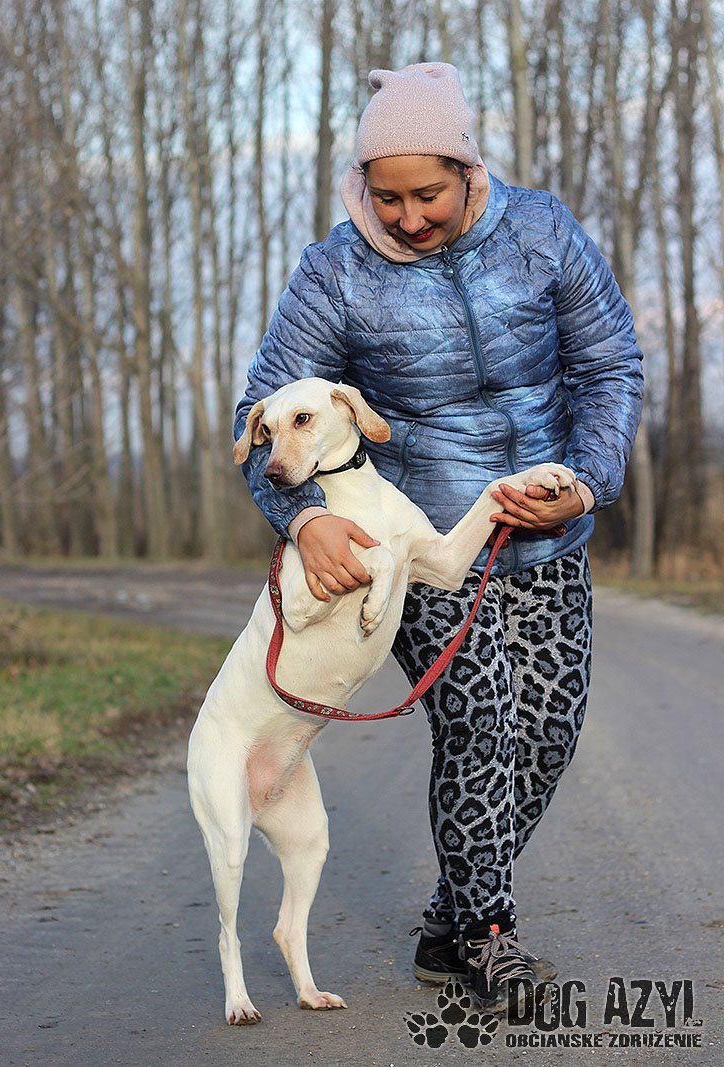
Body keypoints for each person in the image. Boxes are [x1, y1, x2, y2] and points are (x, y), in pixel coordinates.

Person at [234, 62, 643, 1012]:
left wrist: (589, 482)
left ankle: (446, 924)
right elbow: (265, 415)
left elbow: (611, 365)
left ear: (468, 168)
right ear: (361, 185)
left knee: (547, 733)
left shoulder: (544, 232)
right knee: (480, 716)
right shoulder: (336, 272)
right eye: (387, 197)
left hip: (547, 535)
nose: (409, 217)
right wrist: (308, 516)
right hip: (418, 545)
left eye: (428, 194)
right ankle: (489, 936)